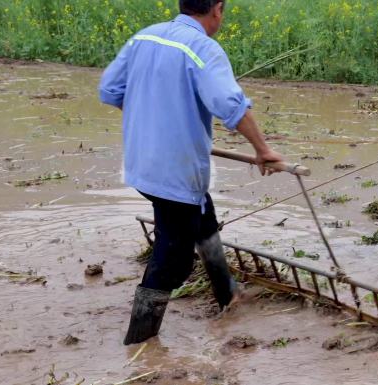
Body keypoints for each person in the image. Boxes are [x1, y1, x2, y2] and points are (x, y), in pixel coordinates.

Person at [98, 0, 283, 345]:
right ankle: (140, 341)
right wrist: (263, 150)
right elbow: (230, 105)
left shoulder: (144, 38)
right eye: (223, 11)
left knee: (201, 215)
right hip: (176, 172)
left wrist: (149, 116)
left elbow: (109, 90)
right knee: (173, 260)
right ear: (216, 9)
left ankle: (228, 294)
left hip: (141, 166)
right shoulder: (203, 49)